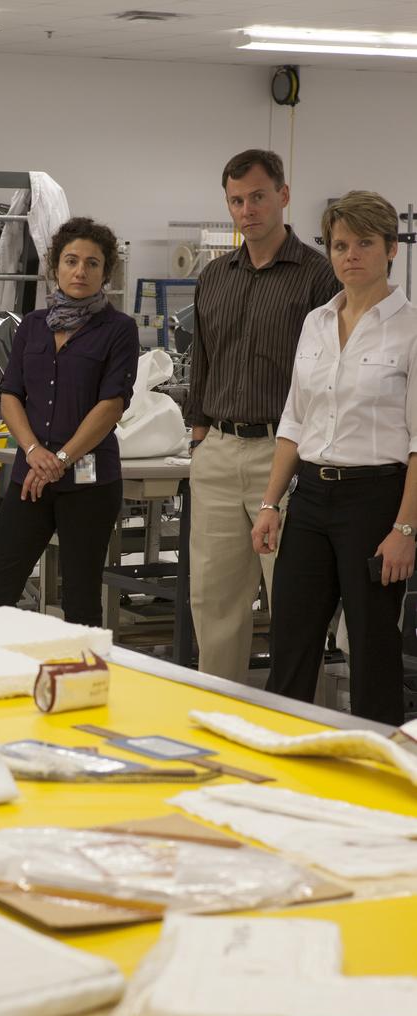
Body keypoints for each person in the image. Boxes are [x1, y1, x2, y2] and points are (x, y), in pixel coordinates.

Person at [251, 191, 417, 725]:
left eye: (364, 243)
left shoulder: (411, 328)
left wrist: (405, 530)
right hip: (312, 497)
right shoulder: (316, 323)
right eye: (340, 244)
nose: (351, 255)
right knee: (292, 636)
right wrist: (271, 503)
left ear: (391, 248)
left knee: (371, 647)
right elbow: (294, 421)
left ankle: (379, 768)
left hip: (376, 502)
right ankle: (284, 752)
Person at [186, 149, 338, 683]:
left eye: (257, 197)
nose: (247, 210)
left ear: (283, 195)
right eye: (235, 200)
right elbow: (201, 359)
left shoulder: (319, 278)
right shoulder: (214, 277)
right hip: (220, 451)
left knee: (292, 602)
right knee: (214, 599)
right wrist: (200, 435)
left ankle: (292, 722)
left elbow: (329, 377)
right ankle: (219, 712)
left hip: (287, 454)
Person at [0, 216, 138, 627]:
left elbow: (111, 404)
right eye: (71, 260)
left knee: (81, 597)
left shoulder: (119, 329)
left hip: (88, 479)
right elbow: (11, 393)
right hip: (30, 474)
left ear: (106, 272)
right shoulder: (32, 325)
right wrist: (34, 452)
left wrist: (61, 459)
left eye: (92, 263)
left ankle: (78, 683)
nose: (80, 271)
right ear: (55, 267)